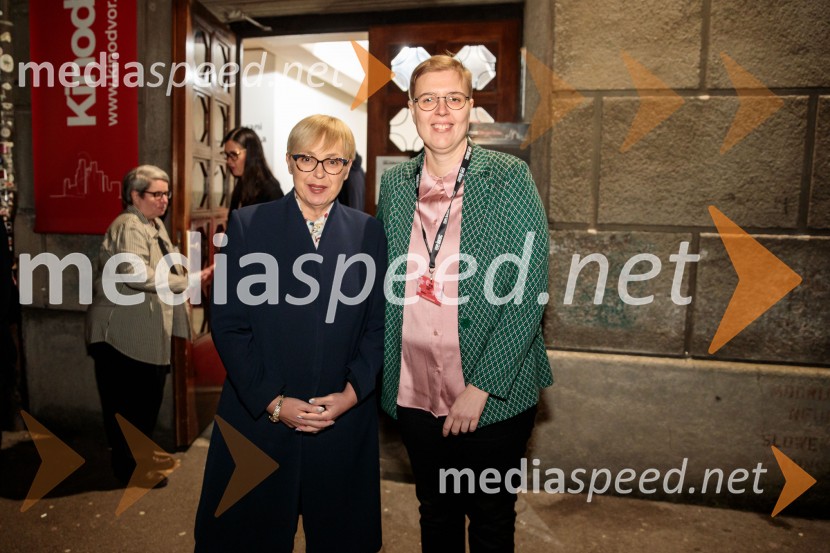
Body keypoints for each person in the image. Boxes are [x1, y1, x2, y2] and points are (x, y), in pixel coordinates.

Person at [376, 55, 553, 552]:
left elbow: (527, 288)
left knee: (491, 518)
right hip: (414, 389)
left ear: (470, 107)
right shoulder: (394, 183)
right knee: (436, 513)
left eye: (453, 98)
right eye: (428, 99)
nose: (441, 110)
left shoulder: (508, 177)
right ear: (411, 108)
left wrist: (483, 386)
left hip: (490, 395)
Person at [195, 115, 386, 553]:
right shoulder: (247, 226)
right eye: (307, 160)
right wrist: (274, 401)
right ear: (289, 162)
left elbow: (378, 326)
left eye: (333, 162)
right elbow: (228, 323)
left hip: (340, 421)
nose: (319, 174)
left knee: (342, 540)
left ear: (348, 166)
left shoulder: (368, 233)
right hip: (258, 417)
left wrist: (352, 393)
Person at [85, 165, 197, 487]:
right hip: (121, 335)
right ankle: (129, 470)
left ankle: (135, 464)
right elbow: (135, 274)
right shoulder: (129, 225)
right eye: (156, 194)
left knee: (143, 402)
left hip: (142, 334)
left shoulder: (153, 223)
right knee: (129, 407)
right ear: (135, 195)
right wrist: (185, 281)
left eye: (167, 194)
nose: (164, 200)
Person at [222, 127, 284, 212]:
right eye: (227, 155)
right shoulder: (241, 185)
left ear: (251, 153)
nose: (228, 161)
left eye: (234, 154)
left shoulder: (271, 191)